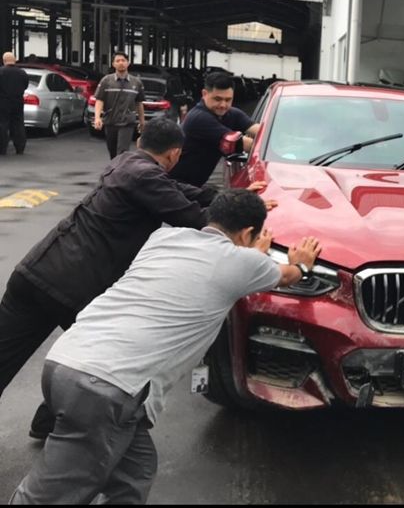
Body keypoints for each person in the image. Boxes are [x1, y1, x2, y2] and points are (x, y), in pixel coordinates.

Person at [10, 189, 321, 504]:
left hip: (65, 361)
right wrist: (302, 264)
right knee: (50, 495)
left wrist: (251, 255)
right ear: (246, 234)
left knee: (135, 471)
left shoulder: (163, 238)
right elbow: (286, 276)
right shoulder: (241, 262)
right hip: (106, 387)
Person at [0, 117, 272, 439]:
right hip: (71, 288)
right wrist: (243, 219)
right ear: (174, 155)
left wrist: (227, 196)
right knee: (91, 362)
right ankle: (53, 423)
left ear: (142, 142)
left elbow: (178, 190)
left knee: (8, 356)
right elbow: (193, 218)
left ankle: (48, 423)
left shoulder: (126, 162)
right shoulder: (147, 179)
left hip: (34, 272)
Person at [168, 72, 260, 187]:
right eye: (217, 99)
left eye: (228, 100)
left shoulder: (232, 114)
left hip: (193, 186)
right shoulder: (199, 118)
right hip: (173, 184)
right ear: (204, 94)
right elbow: (250, 145)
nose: (223, 105)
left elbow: (262, 132)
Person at [93, 51, 146, 159]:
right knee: (113, 152)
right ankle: (115, 171)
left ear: (128, 63)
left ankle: (119, 173)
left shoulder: (136, 83)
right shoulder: (106, 81)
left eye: (123, 60)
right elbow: (99, 100)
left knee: (122, 152)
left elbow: (139, 103)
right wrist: (97, 118)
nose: (121, 63)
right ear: (113, 64)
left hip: (127, 122)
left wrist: (142, 121)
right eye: (118, 61)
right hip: (111, 121)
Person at [0, 52, 30, 155]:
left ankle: (2, 148)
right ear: (15, 60)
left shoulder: (1, 72)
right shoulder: (22, 73)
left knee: (3, 124)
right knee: (18, 124)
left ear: (4, 61)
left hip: (3, 102)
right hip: (18, 101)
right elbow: (26, 85)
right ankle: (20, 147)